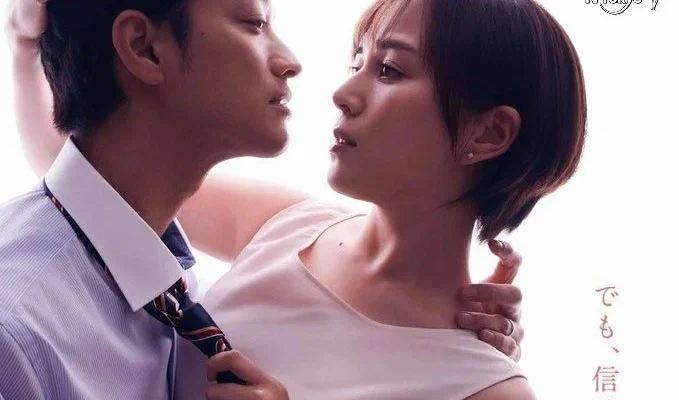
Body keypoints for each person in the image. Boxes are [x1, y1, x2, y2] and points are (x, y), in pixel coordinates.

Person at [1, 0, 527, 399]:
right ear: (145, 48)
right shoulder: (289, 227)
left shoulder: (482, 376)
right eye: (254, 23)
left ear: (488, 133)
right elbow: (82, 174)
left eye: (389, 69)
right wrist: (28, 40)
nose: (339, 93)